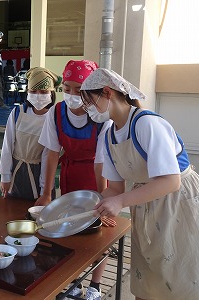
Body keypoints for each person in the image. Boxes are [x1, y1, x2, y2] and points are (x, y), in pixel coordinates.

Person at [80, 68, 199, 300]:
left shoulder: (146, 124)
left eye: (90, 102)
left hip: (177, 204)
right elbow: (115, 188)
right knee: (148, 279)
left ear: (107, 92)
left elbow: (171, 181)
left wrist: (121, 201)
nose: (89, 110)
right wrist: (90, 208)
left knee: (179, 279)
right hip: (145, 206)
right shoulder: (110, 135)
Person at [36, 60, 115, 300]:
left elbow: (102, 162)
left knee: (97, 233)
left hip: (96, 177)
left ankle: (96, 285)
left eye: (77, 89)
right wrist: (47, 192)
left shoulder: (102, 118)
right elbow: (51, 153)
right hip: (69, 175)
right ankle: (74, 282)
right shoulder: (56, 112)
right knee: (68, 227)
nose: (71, 95)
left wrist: (103, 201)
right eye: (66, 88)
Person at [0, 67, 60, 201]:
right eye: (33, 91)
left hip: (41, 174)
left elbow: (48, 156)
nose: (38, 95)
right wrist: (5, 176)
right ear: (27, 92)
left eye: (43, 92)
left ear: (52, 93)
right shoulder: (17, 113)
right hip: (17, 171)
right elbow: (7, 146)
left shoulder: (54, 118)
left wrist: (45, 189)